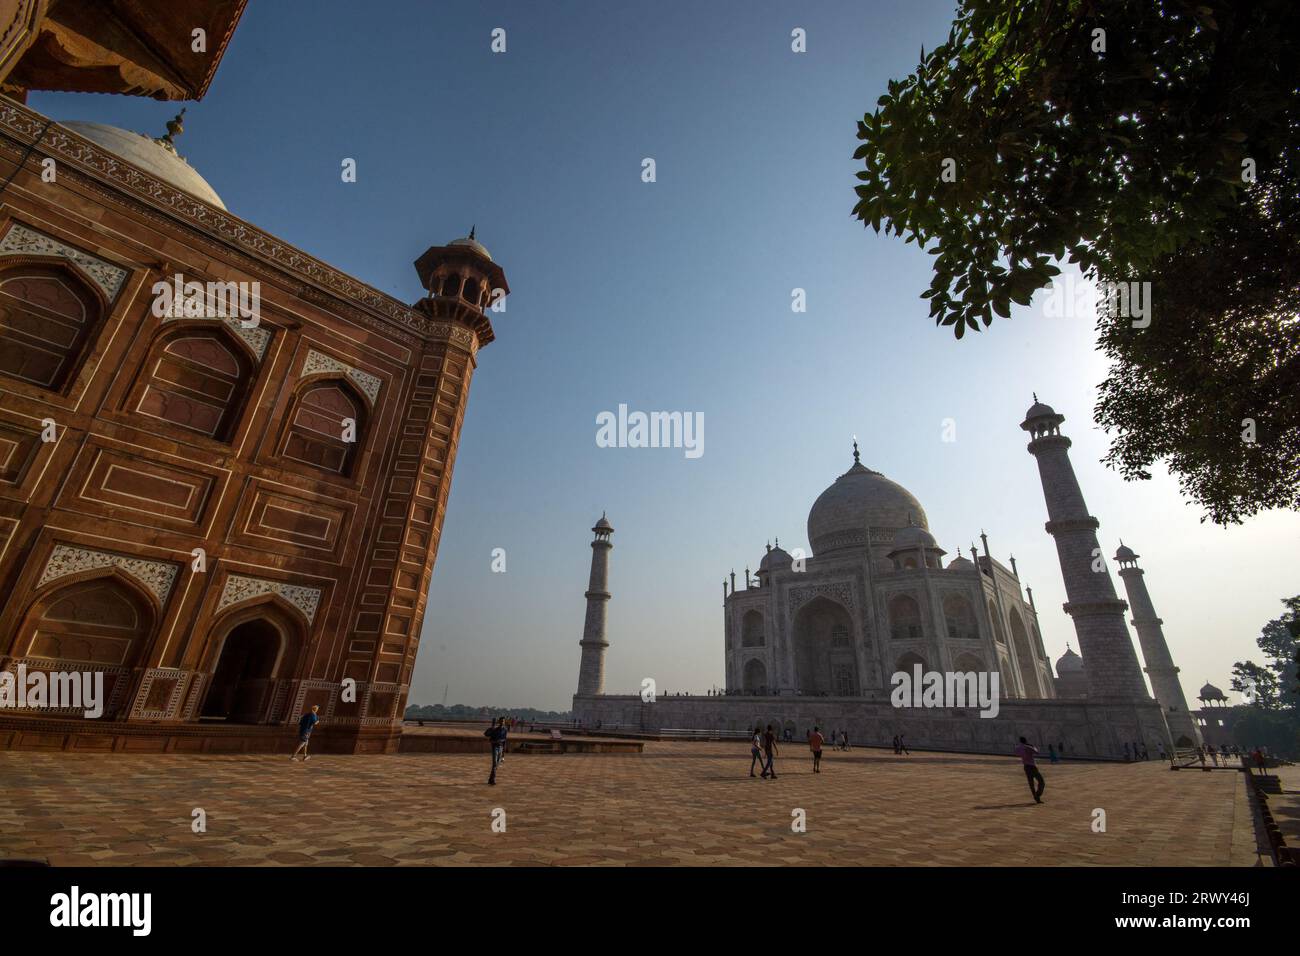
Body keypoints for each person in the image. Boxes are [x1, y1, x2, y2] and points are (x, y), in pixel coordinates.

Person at [1015, 736, 1045, 804]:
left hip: (1026, 767)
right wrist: (1033, 746)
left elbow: (1016, 752)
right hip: (1032, 766)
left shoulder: (1018, 747)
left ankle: (1036, 798)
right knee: (1041, 781)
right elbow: (1037, 752)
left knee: (1031, 783)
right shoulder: (1028, 747)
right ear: (1026, 741)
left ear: (1020, 741)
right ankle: (1037, 795)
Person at [485, 717, 507, 785]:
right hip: (495, 747)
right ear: (499, 722)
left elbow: (504, 740)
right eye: (501, 721)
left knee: (496, 765)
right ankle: (493, 779)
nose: (502, 723)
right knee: (494, 764)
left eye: (503, 721)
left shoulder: (505, 730)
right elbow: (487, 735)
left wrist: (503, 754)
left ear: (504, 722)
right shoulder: (495, 729)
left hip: (500, 748)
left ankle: (490, 779)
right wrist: (491, 728)